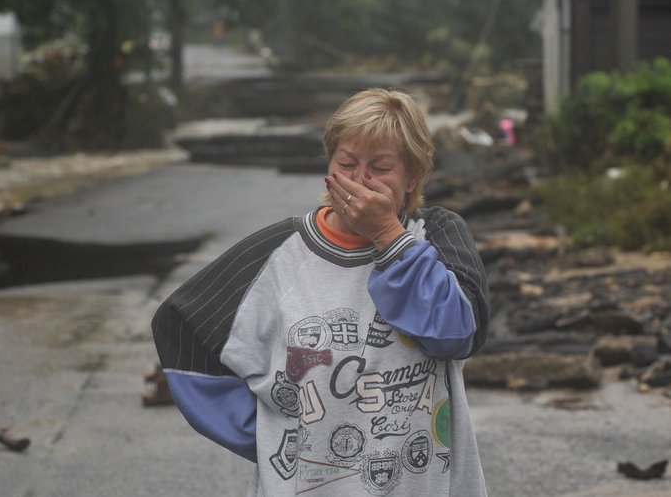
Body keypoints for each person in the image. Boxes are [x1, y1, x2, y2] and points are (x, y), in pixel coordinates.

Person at [152, 88, 490, 496]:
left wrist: (387, 235)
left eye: (380, 167)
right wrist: (264, 432)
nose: (359, 180)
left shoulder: (436, 236)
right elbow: (182, 331)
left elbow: (455, 335)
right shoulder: (277, 254)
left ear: (412, 177)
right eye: (346, 163)